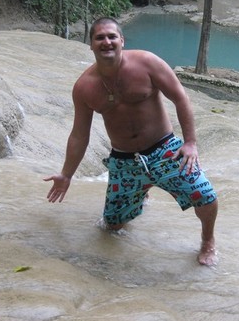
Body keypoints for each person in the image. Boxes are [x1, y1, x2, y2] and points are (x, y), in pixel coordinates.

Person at [43, 17, 219, 266]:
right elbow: (80, 134)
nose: (106, 42)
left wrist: (190, 142)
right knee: (112, 226)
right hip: (124, 160)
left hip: (164, 149)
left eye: (112, 36)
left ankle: (208, 241)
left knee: (205, 196)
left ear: (122, 41)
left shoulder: (147, 62)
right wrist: (66, 174)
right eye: (100, 38)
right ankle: (141, 191)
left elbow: (180, 98)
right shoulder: (84, 87)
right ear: (91, 45)